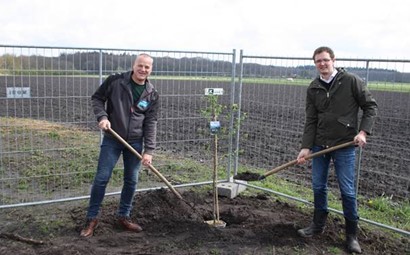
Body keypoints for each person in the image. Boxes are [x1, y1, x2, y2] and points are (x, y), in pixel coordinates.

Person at [296, 46, 378, 253]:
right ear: (315, 64)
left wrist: (363, 132)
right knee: (318, 186)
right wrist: (306, 147)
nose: (322, 64)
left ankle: (351, 235)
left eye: (325, 60)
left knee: (347, 191)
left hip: (344, 145)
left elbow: (370, 106)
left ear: (333, 60)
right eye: (318, 61)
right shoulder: (313, 87)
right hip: (319, 145)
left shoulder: (350, 81)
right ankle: (318, 225)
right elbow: (311, 119)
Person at [80, 53, 159, 237]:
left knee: (131, 180)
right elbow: (97, 98)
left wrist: (149, 150)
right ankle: (91, 219)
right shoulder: (116, 81)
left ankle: (124, 216)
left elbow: (151, 122)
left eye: (147, 67)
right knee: (102, 178)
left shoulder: (152, 94)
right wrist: (103, 117)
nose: (143, 69)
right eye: (140, 65)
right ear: (134, 65)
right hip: (112, 139)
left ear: (151, 70)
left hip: (135, 142)